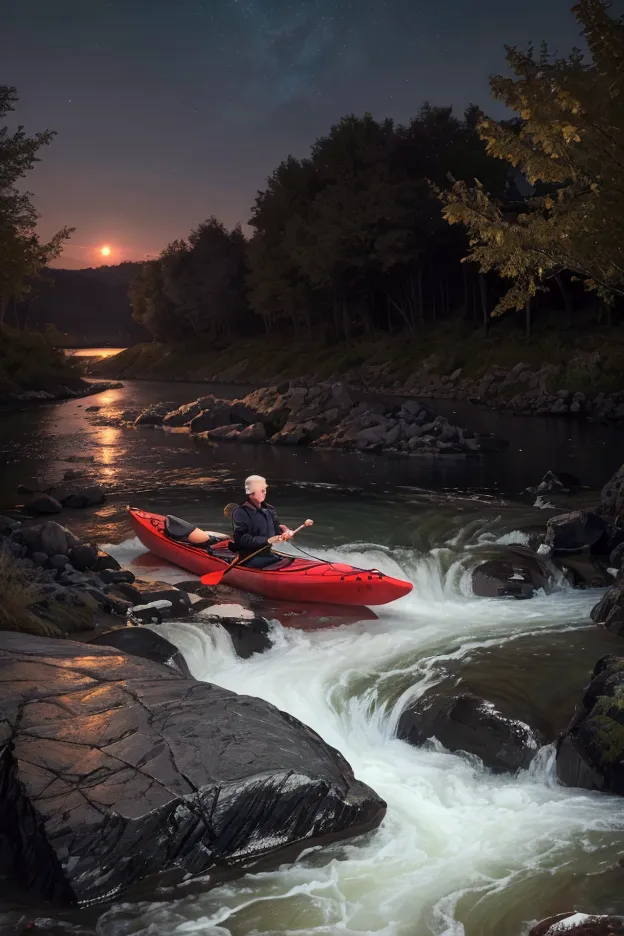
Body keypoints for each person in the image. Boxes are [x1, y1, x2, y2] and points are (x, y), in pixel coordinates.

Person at [231, 475, 294, 568]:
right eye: (262, 490)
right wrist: (267, 540)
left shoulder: (269, 509)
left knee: (289, 558)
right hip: (249, 557)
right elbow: (241, 539)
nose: (265, 492)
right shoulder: (240, 512)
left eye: (265, 490)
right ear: (251, 493)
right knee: (278, 560)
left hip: (270, 553)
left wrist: (285, 533)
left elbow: (277, 531)